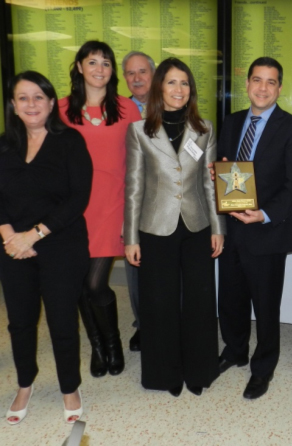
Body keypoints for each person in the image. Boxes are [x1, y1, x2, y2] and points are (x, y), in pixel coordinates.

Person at [124, 57, 224, 397]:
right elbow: (134, 186)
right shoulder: (139, 131)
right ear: (159, 88)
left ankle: (199, 370)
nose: (178, 89)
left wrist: (218, 228)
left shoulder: (205, 129)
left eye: (184, 83)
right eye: (171, 82)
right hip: (155, 228)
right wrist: (131, 236)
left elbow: (211, 184)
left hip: (196, 225)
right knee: (159, 303)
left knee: (199, 302)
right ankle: (164, 374)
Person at [216, 57, 292, 399]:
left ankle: (263, 367)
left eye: (271, 82)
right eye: (257, 80)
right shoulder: (232, 122)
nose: (263, 88)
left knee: (266, 306)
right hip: (231, 229)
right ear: (247, 84)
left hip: (267, 231)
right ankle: (235, 350)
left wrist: (265, 214)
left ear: (280, 88)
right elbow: (226, 168)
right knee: (230, 298)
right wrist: (218, 175)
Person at [0, 71, 92, 424]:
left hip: (61, 243)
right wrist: (11, 237)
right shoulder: (3, 145)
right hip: (12, 247)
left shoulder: (70, 141)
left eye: (39, 97)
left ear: (52, 103)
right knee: (20, 321)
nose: (31, 104)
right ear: (13, 105)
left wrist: (32, 235)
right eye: (23, 98)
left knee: (61, 319)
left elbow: (77, 199)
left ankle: (69, 387)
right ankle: (25, 384)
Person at [59, 41, 142, 378]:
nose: (99, 69)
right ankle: (97, 345)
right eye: (92, 62)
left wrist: (134, 215)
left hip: (113, 205)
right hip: (72, 207)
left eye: (106, 63)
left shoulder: (126, 109)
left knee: (95, 284)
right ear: (79, 67)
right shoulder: (61, 109)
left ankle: (113, 343)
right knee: (79, 281)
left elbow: (140, 161)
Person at [121, 50, 156, 352]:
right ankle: (143, 324)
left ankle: (169, 320)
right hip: (132, 201)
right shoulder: (117, 112)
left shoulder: (174, 102)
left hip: (168, 203)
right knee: (136, 267)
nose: (137, 78)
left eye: (142, 71)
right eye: (130, 73)